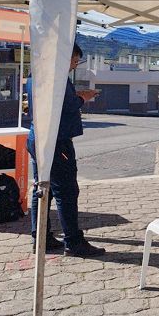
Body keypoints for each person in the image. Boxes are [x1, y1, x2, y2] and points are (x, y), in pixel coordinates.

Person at [28, 43, 104, 257]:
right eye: (74, 60)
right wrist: (83, 97)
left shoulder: (37, 72)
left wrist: (76, 95)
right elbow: (67, 105)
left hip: (38, 137)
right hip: (57, 140)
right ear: (64, 57)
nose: (74, 65)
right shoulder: (57, 77)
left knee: (42, 188)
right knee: (66, 191)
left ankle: (39, 237)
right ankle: (73, 241)